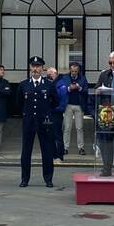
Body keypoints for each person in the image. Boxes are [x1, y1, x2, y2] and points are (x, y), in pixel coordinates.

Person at [16, 56, 57, 187]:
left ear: (42, 68)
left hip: (44, 122)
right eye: (33, 66)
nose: (35, 69)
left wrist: (46, 112)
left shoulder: (49, 85)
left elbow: (56, 101)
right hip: (29, 122)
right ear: (30, 68)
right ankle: (24, 179)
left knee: (47, 151)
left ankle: (48, 179)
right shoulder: (24, 85)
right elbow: (18, 103)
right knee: (26, 152)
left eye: (38, 66)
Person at [62, 62, 89, 156]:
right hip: (68, 105)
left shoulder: (83, 78)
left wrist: (79, 88)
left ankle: (81, 148)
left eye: (76, 71)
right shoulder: (65, 77)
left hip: (79, 105)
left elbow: (86, 91)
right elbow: (61, 89)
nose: (74, 73)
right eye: (72, 71)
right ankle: (65, 148)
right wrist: (69, 88)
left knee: (79, 128)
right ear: (70, 69)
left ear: (78, 71)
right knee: (67, 128)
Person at [46, 66, 66, 160]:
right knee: (50, 134)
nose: (48, 77)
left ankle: (60, 155)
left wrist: (58, 108)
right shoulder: (53, 83)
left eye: (49, 75)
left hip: (56, 112)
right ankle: (53, 154)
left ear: (54, 74)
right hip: (50, 112)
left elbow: (63, 99)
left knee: (57, 134)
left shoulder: (60, 84)